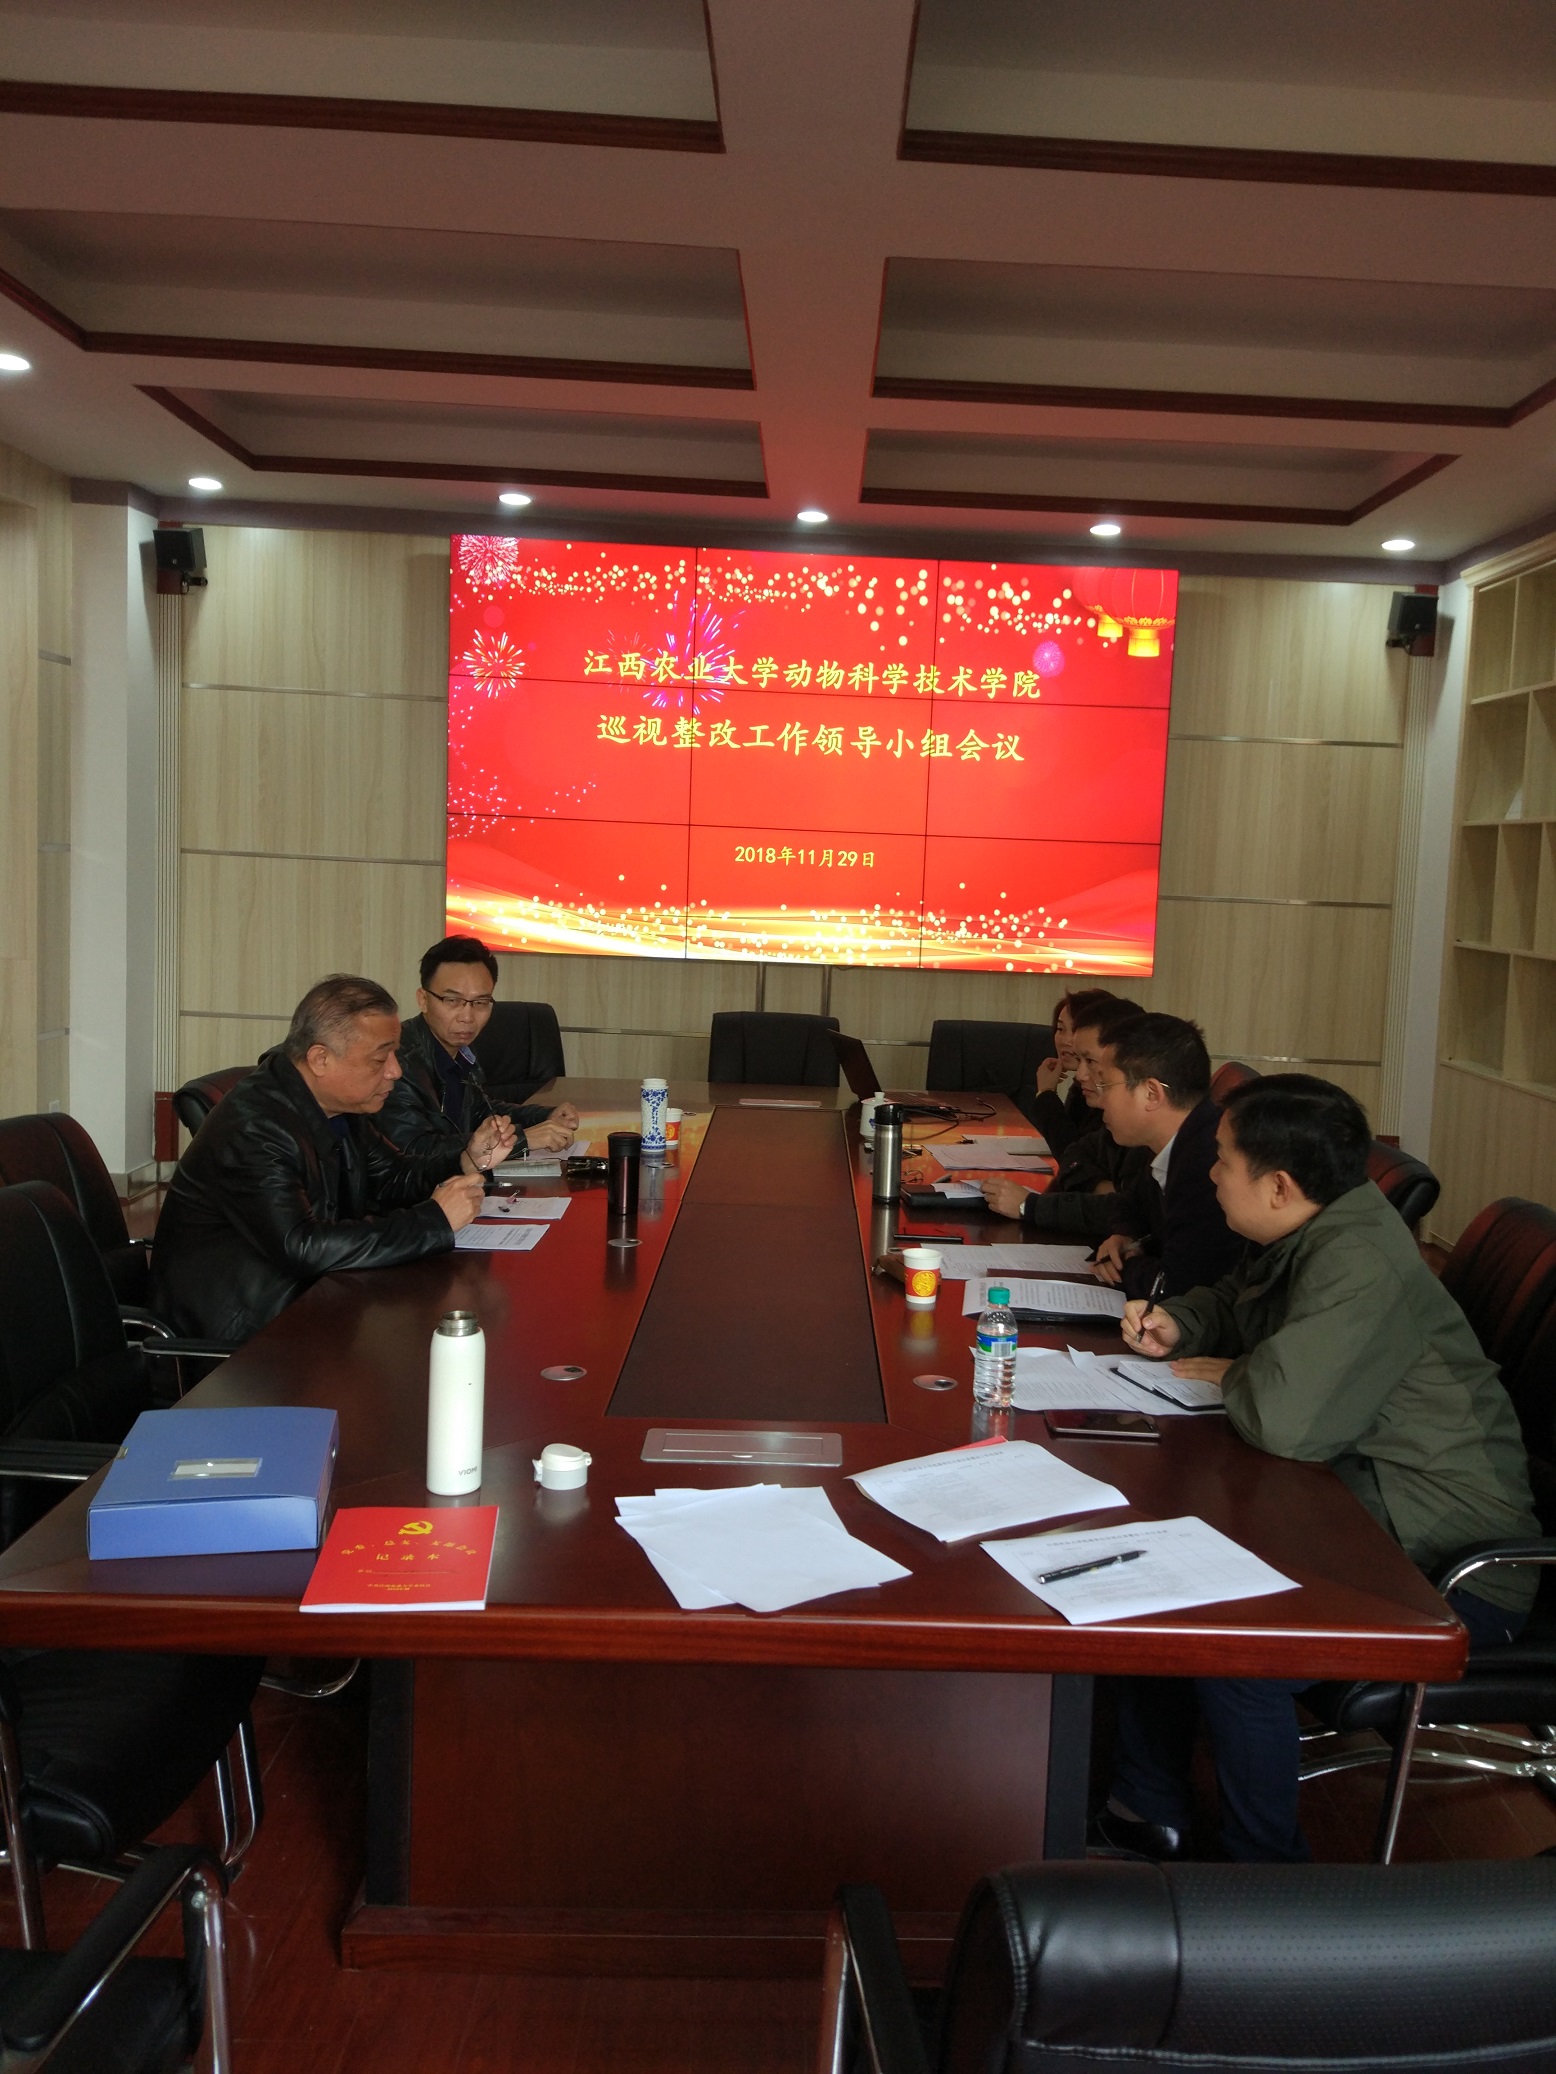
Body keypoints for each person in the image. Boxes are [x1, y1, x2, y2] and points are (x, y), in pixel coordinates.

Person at [1095, 1074, 1539, 1865]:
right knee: (1162, 1569)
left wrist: (1237, 1372)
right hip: (1358, 1505)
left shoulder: (1358, 1259)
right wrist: (1180, 1323)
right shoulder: (1308, 1226)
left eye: (1222, 1160)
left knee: (1241, 1650)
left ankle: (1270, 1878)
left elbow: (1286, 1422)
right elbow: (1235, 1299)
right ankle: (1149, 1806)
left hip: (1448, 1562)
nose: (1209, 1174)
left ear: (1279, 1185)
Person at [151, 975, 494, 1345]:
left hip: (314, 1302)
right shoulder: (256, 1126)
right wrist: (434, 1221)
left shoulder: (338, 1104)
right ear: (320, 1059)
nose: (395, 1070)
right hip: (246, 1338)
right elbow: (301, 1246)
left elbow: (391, 1177)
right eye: (380, 1058)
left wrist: (463, 1160)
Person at [380, 935, 578, 1167]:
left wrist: (544, 1117)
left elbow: (479, 1111)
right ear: (423, 1000)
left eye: (480, 1003)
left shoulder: (459, 1048)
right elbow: (415, 1150)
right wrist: (522, 1140)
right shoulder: (396, 1061)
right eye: (452, 1000)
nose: (467, 1017)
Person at [1088, 1011, 1243, 1300]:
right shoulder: (1171, 1140)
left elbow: (1177, 1287)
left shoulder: (1210, 1165)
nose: (1100, 1099)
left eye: (1105, 1085)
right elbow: (1130, 1204)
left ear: (1151, 1093)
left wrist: (1125, 1265)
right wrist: (1125, 1236)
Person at [980, 996, 1148, 1236]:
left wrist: (1029, 1206)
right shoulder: (1095, 1101)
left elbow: (1132, 1214)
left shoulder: (1152, 1134)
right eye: (1061, 1029)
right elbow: (1074, 1155)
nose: (1080, 1075)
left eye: (1090, 1061)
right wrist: (1099, 1188)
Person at [1029, 989, 1130, 1157]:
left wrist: (1046, 1093)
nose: (1066, 1041)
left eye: (1075, 1030)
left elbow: (1073, 1154)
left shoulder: (1113, 1093)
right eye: (1060, 1029)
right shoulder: (1080, 1086)